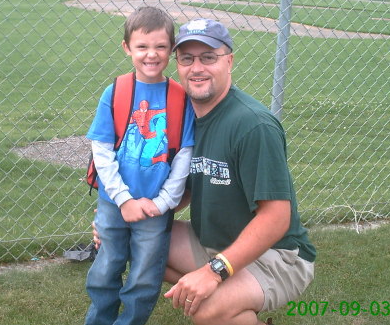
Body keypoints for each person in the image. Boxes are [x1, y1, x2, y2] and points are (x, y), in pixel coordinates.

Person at [93, 18, 316, 325]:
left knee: (208, 310)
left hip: (277, 255)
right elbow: (185, 189)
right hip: (212, 242)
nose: (197, 68)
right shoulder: (183, 116)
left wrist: (216, 270)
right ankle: (233, 301)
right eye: (187, 59)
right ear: (177, 63)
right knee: (131, 242)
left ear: (229, 61)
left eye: (208, 57)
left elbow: (276, 218)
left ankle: (229, 302)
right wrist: (118, 218)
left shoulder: (252, 125)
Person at [84, 6, 194, 325]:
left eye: (160, 46)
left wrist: (163, 202)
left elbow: (183, 155)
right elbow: (102, 151)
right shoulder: (116, 92)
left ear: (171, 49)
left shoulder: (179, 97)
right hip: (114, 202)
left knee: (145, 276)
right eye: (142, 46)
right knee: (106, 268)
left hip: (155, 207)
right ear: (127, 48)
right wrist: (123, 199)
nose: (151, 55)